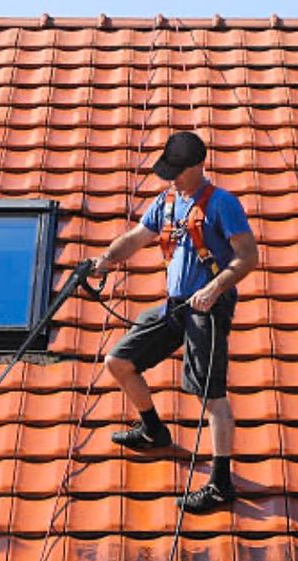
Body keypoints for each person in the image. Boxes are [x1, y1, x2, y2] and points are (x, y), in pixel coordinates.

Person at [90, 131, 259, 514]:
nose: (172, 178)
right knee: (118, 361)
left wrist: (215, 289)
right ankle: (153, 429)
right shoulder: (167, 202)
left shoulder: (222, 204)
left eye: (178, 171)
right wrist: (105, 260)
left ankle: (220, 483)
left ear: (198, 166)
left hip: (208, 310)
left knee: (209, 394)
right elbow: (136, 238)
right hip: (176, 306)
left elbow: (248, 257)